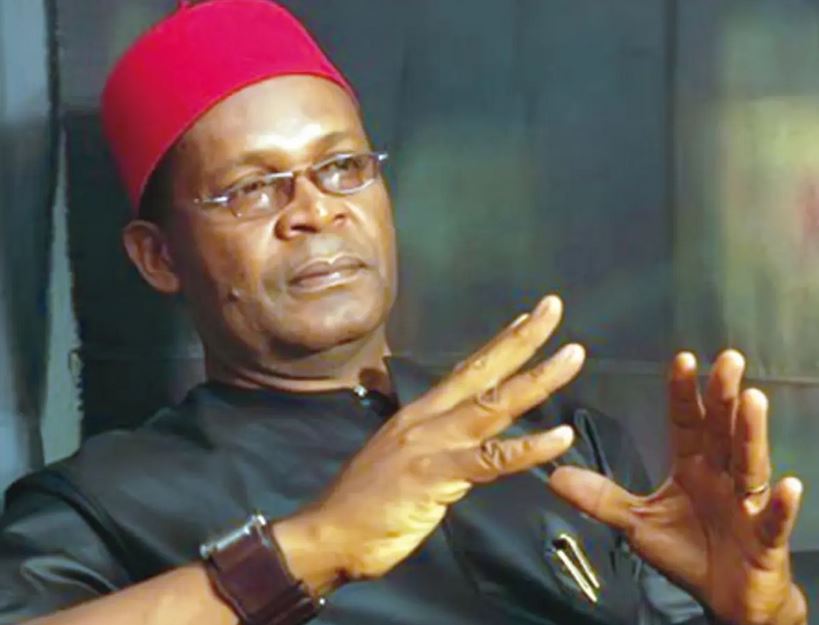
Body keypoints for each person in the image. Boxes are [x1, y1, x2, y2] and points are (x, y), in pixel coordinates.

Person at [0, 1, 808, 624]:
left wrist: (765, 614)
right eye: (251, 188)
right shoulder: (98, 504)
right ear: (159, 256)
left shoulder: (562, 442)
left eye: (342, 166)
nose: (314, 210)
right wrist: (312, 546)